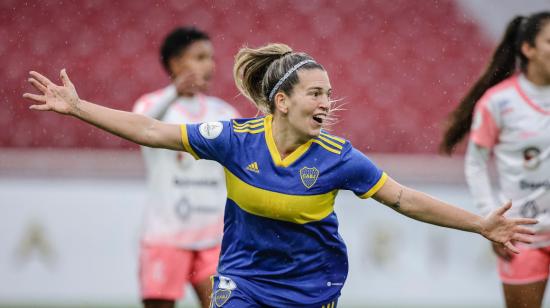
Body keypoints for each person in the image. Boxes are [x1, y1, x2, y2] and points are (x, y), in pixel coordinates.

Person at [23, 43, 537, 308]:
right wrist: (78, 106)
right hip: (243, 281)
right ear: (282, 101)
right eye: (316, 93)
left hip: (313, 287)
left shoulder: (341, 157)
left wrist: (480, 224)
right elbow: (153, 130)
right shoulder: (234, 138)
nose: (327, 102)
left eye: (329, 93)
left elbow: (404, 200)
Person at [441, 11, 550, 308]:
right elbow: (475, 164)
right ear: (528, 49)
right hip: (523, 235)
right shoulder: (499, 102)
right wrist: (491, 219)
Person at [132, 27, 239, 308]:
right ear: (176, 63)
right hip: (166, 235)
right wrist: (174, 92)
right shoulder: (153, 107)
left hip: (214, 239)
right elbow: (135, 126)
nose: (210, 65)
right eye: (200, 57)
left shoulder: (225, 113)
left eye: (212, 58)